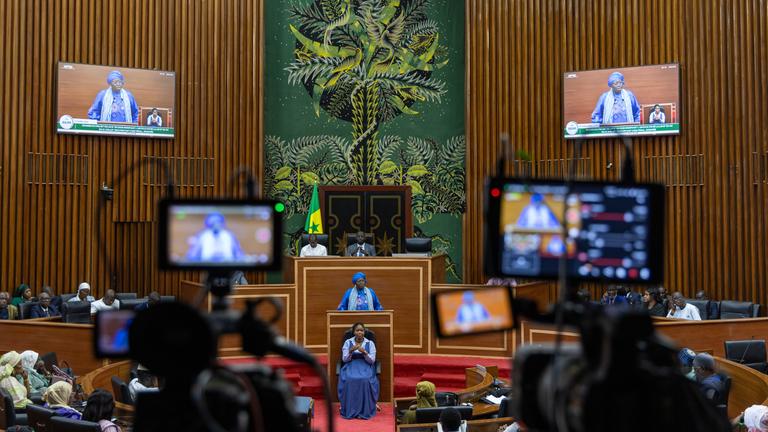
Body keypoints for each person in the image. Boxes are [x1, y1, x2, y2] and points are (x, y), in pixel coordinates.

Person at [338, 322, 379, 419]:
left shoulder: (370, 343)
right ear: (354, 332)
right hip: (351, 365)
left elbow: (372, 361)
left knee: (364, 379)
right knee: (349, 379)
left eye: (361, 330)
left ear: (364, 332)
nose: (359, 332)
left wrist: (364, 352)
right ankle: (349, 408)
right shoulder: (348, 342)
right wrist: (350, 351)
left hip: (366, 366)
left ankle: (365, 409)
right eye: (357, 330)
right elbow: (344, 359)